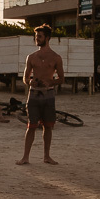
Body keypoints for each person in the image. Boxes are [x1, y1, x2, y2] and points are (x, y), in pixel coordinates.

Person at [16, 24, 64, 165]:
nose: (37, 39)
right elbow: (25, 78)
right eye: (36, 36)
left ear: (47, 38)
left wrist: (50, 82)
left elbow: (61, 78)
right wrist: (31, 83)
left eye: (40, 36)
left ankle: (46, 156)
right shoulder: (31, 57)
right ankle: (25, 157)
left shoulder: (56, 57)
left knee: (48, 126)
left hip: (48, 95)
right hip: (34, 95)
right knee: (31, 126)